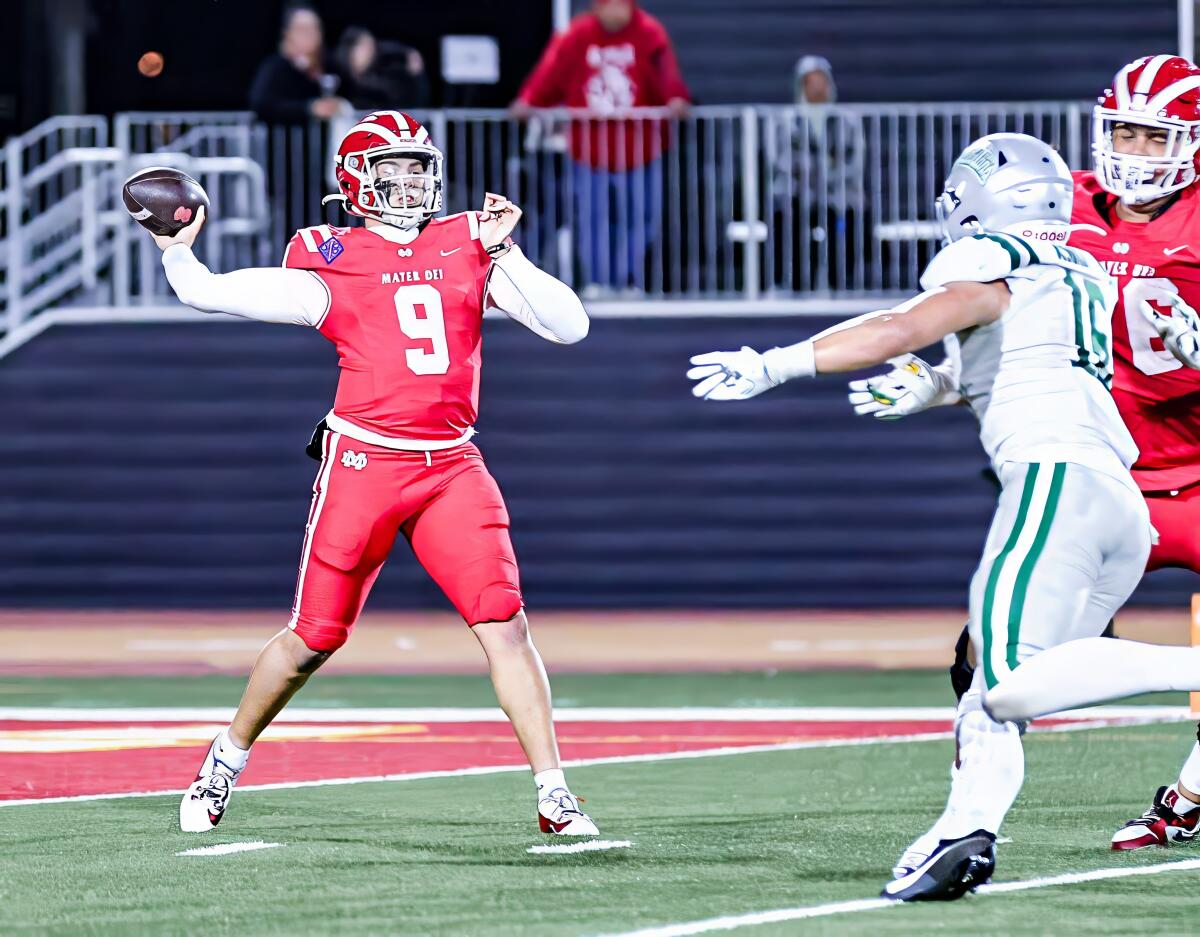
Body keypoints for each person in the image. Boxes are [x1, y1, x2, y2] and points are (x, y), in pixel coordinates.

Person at [687, 133, 1160, 900]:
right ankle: (963, 835)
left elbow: (902, 326)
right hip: (1118, 506)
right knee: (990, 691)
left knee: (1007, 683)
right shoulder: (1081, 266)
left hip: (1054, 481)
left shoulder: (987, 259)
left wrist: (774, 364)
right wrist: (939, 387)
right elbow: (1021, 355)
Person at [142, 111, 596, 838]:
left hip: (451, 462)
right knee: (313, 637)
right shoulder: (331, 255)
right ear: (357, 178)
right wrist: (175, 251)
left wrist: (506, 249)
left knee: (506, 626)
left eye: (420, 165)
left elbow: (568, 325)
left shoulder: (468, 245)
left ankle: (554, 791)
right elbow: (208, 291)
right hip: (364, 463)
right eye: (396, 165)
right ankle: (224, 759)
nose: (412, 180)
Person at [854, 55, 1200, 853]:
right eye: (1127, 134)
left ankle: (1184, 799)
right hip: (1107, 477)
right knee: (989, 658)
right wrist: (943, 379)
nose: (1137, 154)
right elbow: (1010, 323)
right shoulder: (1060, 204)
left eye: (1157, 138)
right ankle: (968, 813)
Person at [511, 0, 690, 293]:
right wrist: (529, 99)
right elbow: (551, 70)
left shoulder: (649, 32)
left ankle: (625, 279)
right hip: (589, 150)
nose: (615, 11)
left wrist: (675, 98)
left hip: (640, 149)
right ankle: (599, 281)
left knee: (642, 217)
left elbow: (665, 73)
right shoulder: (577, 34)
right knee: (593, 219)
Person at [249, 3, 346, 124]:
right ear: (288, 34)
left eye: (315, 28)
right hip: (284, 140)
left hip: (325, 141)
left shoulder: (330, 65)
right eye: (304, 29)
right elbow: (262, 104)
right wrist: (308, 109)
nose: (311, 34)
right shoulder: (275, 67)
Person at [336, 26, 430, 111]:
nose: (370, 52)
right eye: (364, 47)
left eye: (371, 47)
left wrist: (412, 60)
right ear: (350, 50)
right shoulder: (342, 81)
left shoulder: (384, 76)